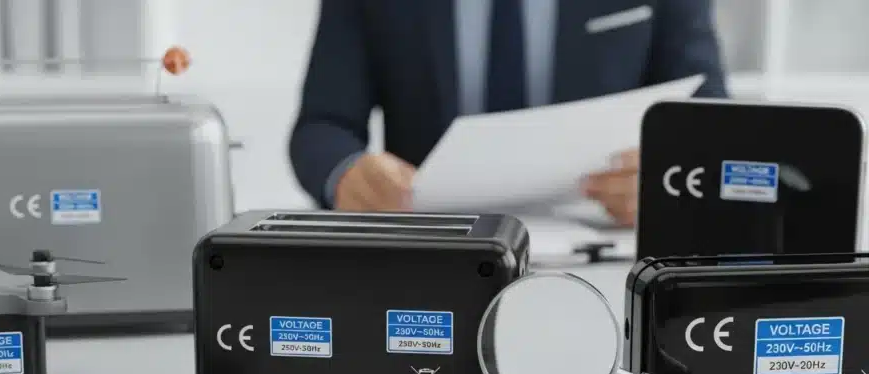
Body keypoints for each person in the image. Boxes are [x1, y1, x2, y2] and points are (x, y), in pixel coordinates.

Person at [288, 0, 729, 226]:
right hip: (437, 255)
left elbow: (711, 125)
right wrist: (348, 173)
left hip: (606, 251)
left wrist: (670, 179)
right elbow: (322, 125)